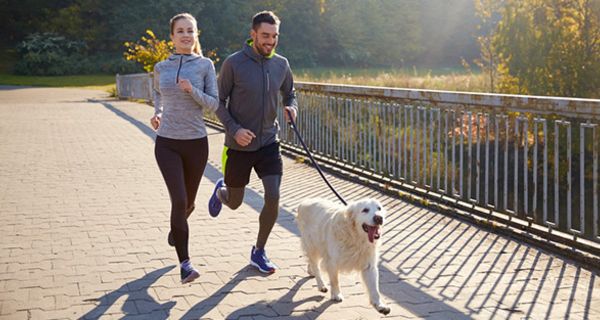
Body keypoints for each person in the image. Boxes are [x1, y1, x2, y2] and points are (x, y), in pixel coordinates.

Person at [209, 11, 298, 274]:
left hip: (269, 142)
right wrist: (235, 129)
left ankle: (258, 251)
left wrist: (292, 107)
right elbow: (218, 102)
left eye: (274, 36)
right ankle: (220, 191)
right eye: (265, 36)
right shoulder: (234, 64)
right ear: (253, 35)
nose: (270, 41)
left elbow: (290, 93)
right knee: (235, 202)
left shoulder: (281, 64)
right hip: (239, 146)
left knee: (273, 197)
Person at [151, 13, 218, 284]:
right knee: (179, 201)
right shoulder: (161, 67)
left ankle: (175, 229)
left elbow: (213, 104)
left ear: (196, 35)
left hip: (196, 144)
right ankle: (185, 264)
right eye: (180, 31)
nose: (186, 35)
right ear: (172, 36)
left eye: (190, 30)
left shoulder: (205, 65)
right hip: (167, 143)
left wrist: (192, 91)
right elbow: (156, 92)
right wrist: (157, 112)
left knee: (188, 204)